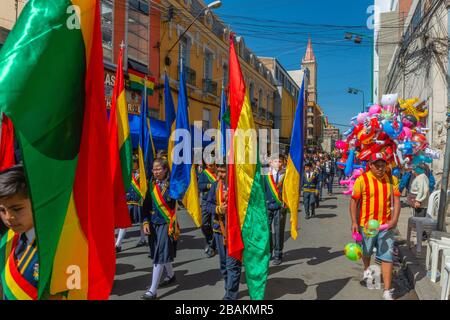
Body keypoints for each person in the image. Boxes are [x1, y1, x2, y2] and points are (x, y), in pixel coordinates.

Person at [0, 165, 68, 300]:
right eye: (2, 210)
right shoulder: (9, 239)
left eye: (17, 209)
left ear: (38, 202)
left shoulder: (58, 245)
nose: (8, 217)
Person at [350, 153, 401, 300]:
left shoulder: (392, 179)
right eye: (377, 165)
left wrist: (394, 220)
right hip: (366, 226)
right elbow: (354, 202)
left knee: (387, 256)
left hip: (386, 226)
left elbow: (397, 201)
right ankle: (367, 271)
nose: (380, 168)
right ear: (370, 165)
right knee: (366, 252)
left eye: (382, 165)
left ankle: (387, 290)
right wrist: (354, 222)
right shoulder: (362, 180)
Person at [141, 158, 178, 300]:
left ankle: (152, 290)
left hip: (166, 224)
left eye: (158, 169)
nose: (155, 172)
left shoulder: (172, 186)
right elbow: (146, 206)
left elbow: (176, 203)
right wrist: (145, 222)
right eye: (153, 169)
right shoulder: (151, 186)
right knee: (160, 252)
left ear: (165, 170)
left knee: (159, 255)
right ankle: (171, 275)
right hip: (153, 224)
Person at [204, 162, 242, 300]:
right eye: (218, 171)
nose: (220, 174)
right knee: (224, 264)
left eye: (223, 171)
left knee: (233, 264)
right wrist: (218, 209)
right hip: (219, 230)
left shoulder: (238, 186)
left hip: (234, 231)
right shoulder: (215, 186)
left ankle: (230, 296)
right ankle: (228, 288)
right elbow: (207, 204)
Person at [115, 156, 147, 252]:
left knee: (142, 221)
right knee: (124, 222)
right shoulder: (127, 173)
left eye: (134, 161)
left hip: (139, 201)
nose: (132, 163)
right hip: (128, 201)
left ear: (137, 162)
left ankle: (142, 238)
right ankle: (118, 244)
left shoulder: (142, 174)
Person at [264, 154, 286, 266]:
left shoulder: (286, 175)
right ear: (270, 163)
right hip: (267, 207)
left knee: (278, 231)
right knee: (266, 231)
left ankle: (278, 254)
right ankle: (268, 252)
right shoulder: (266, 175)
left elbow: (290, 191)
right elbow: (262, 191)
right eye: (275, 161)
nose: (278, 163)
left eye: (280, 161)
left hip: (280, 207)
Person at [198, 162, 218, 258]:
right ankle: (209, 240)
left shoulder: (219, 173)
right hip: (206, 201)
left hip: (216, 202)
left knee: (214, 223)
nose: (212, 167)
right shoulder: (204, 174)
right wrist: (210, 185)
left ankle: (212, 247)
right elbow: (200, 186)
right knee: (204, 224)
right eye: (210, 165)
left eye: (213, 165)